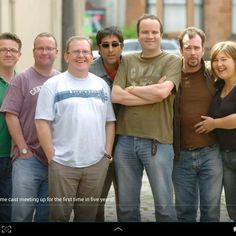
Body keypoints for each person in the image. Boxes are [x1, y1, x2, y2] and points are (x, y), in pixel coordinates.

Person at [35, 36, 116, 222]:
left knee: (87, 217)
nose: (81, 55)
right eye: (76, 52)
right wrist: (51, 157)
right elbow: (41, 122)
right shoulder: (53, 85)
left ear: (91, 56)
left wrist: (107, 154)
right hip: (63, 165)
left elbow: (109, 121)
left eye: (85, 52)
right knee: (59, 217)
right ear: (66, 56)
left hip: (96, 164)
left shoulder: (101, 85)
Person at [111, 14, 181, 222]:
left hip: (157, 142)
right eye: (145, 32)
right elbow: (116, 95)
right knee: (126, 208)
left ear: (161, 34)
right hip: (125, 142)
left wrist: (131, 89)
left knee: (164, 206)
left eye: (154, 32)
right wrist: (150, 93)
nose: (149, 36)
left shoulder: (173, 61)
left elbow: (162, 94)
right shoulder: (128, 60)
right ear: (139, 35)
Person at [0, 32, 59, 222]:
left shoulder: (61, 80)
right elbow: (11, 115)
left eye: (49, 48)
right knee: (20, 214)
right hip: (28, 159)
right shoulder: (22, 79)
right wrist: (23, 149)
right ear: (33, 52)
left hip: (54, 158)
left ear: (56, 52)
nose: (44, 52)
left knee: (46, 214)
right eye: (40, 48)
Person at [172, 27, 223, 222]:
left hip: (211, 153)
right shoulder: (172, 75)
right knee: (185, 213)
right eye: (187, 47)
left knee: (211, 213)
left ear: (203, 50)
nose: (192, 52)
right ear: (180, 50)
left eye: (196, 47)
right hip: (181, 155)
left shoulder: (213, 74)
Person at [195, 41, 236, 221]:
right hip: (224, 156)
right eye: (215, 60)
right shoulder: (219, 86)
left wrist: (215, 123)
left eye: (224, 59)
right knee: (233, 208)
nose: (219, 64)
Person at [89, 26, 123, 222]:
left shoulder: (131, 66)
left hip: (128, 141)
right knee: (95, 199)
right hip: (99, 143)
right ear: (99, 48)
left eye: (115, 44)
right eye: (105, 45)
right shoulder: (90, 71)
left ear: (122, 47)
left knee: (126, 199)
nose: (111, 49)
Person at [0, 32, 22, 222]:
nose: (8, 53)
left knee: (8, 211)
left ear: (19, 55)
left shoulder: (23, 82)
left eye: (13, 50)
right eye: (3, 49)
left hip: (16, 157)